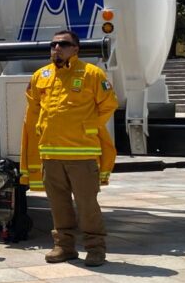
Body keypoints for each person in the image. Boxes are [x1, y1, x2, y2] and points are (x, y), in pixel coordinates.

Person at [21, 30, 118, 267]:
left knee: (87, 205)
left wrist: (89, 127)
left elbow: (109, 104)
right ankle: (64, 247)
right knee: (58, 205)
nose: (57, 48)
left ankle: (95, 248)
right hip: (50, 153)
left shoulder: (92, 74)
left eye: (63, 44)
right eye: (53, 44)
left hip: (81, 153)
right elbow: (34, 109)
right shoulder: (40, 75)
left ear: (76, 49)